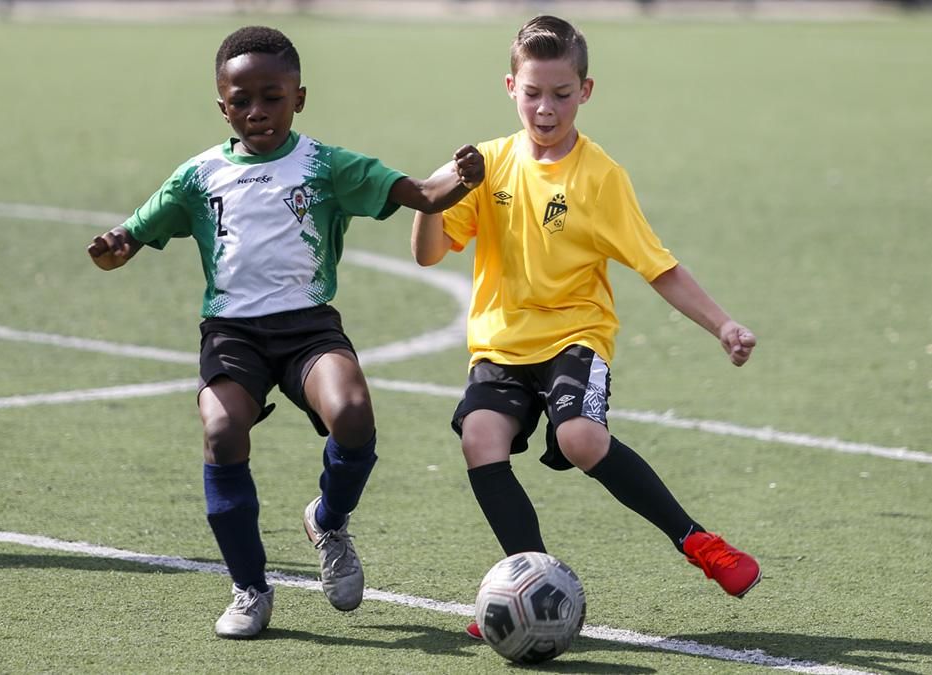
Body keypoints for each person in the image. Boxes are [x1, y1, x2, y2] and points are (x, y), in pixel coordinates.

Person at [87, 25, 483, 639]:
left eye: (271, 96)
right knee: (221, 429)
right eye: (240, 100)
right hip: (232, 334)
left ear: (299, 97)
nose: (257, 111)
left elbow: (425, 196)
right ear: (222, 105)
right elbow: (130, 236)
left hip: (308, 329)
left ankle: (328, 520)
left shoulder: (326, 164)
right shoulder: (199, 175)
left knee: (352, 413)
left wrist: (461, 177)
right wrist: (113, 249)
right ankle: (250, 589)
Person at [410, 15, 761, 640]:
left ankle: (700, 543)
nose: (546, 109)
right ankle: (528, 587)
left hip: (576, 336)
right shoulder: (485, 164)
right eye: (533, 93)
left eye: (562, 94)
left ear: (586, 91)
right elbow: (429, 253)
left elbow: (660, 267)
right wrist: (434, 197)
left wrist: (723, 324)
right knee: (480, 440)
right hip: (500, 344)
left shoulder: (600, 177)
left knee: (580, 439)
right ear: (510, 86)